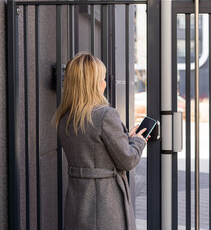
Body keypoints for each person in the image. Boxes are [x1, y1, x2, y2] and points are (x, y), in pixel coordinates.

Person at [52, 52, 148, 230]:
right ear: (91, 85)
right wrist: (138, 141)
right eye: (101, 79)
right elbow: (128, 160)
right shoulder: (105, 115)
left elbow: (93, 145)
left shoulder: (65, 117)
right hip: (105, 204)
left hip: (77, 202)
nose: (104, 83)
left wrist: (125, 137)